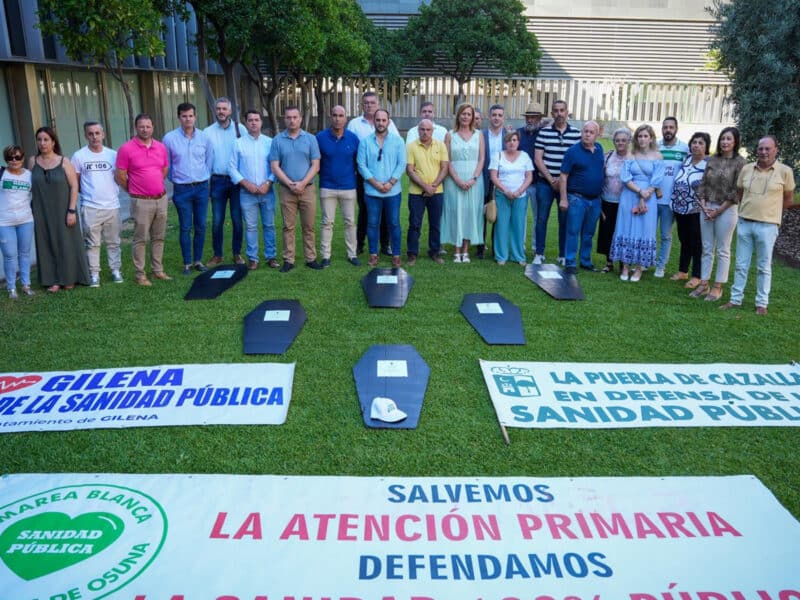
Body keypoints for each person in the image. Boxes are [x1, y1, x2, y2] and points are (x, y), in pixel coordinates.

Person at [720, 135, 796, 315]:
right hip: (745, 223)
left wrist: (773, 214)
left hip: (768, 226)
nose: (763, 152)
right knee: (741, 264)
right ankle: (735, 299)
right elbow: (740, 194)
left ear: (775, 150)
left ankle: (762, 303)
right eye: (760, 148)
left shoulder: (785, 171)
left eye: (767, 148)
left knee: (764, 266)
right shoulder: (747, 169)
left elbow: (788, 199)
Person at [28, 126, 90, 292]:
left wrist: (71, 211)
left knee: (66, 243)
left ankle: (70, 278)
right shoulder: (33, 161)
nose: (42, 143)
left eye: (46, 139)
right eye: (39, 140)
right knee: (46, 243)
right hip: (41, 211)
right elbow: (27, 186)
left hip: (63, 210)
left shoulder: (64, 161)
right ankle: (53, 280)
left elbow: (74, 186)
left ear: (53, 142)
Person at [115, 113, 170, 286]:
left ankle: (158, 270)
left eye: (148, 126)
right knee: (140, 238)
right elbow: (120, 175)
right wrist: (134, 190)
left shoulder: (160, 147)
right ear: (136, 127)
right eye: (141, 126)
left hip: (161, 199)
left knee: (159, 237)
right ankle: (140, 275)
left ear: (153, 127)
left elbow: (164, 170)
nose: (145, 129)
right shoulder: (126, 149)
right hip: (141, 201)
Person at [693, 127, 745, 302]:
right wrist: (704, 206)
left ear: (735, 142)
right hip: (707, 207)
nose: (725, 142)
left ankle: (717, 287)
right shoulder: (712, 159)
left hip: (726, 210)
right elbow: (703, 184)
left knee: (723, 249)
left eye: (728, 139)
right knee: (707, 247)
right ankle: (704, 283)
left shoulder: (740, 163)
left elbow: (737, 191)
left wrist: (718, 211)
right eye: (723, 138)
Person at [162, 102, 214, 275]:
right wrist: (176, 179)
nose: (188, 119)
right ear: (179, 117)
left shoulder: (204, 138)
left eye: (190, 116)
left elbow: (209, 160)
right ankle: (187, 263)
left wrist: (203, 177)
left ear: (195, 117)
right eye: (184, 116)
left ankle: (198, 261)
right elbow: (167, 164)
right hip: (182, 189)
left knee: (201, 225)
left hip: (201, 188)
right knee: (185, 226)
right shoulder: (169, 139)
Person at [269, 106, 321, 272]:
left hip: (307, 189)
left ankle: (311, 258)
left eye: (295, 117)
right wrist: (290, 183)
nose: (292, 120)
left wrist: (302, 183)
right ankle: (288, 260)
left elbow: (316, 165)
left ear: (300, 119)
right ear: (284, 119)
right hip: (286, 190)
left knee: (309, 226)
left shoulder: (311, 139)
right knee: (288, 227)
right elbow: (275, 166)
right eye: (288, 117)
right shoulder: (277, 140)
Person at [610, 124, 665, 282]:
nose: (642, 139)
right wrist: (640, 192)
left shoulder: (658, 156)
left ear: (651, 138)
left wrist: (645, 195)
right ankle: (625, 267)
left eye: (645, 136)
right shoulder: (630, 155)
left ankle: (639, 268)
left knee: (644, 230)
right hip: (630, 194)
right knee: (626, 228)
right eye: (639, 136)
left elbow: (657, 179)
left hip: (649, 197)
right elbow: (625, 178)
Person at [71, 121, 123, 287]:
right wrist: (89, 196)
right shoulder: (79, 156)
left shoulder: (113, 155)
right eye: (90, 134)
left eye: (97, 133)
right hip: (90, 206)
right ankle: (94, 274)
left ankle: (115, 270)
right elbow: (75, 182)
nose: (94, 137)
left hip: (112, 206)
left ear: (103, 134)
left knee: (114, 241)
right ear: (86, 135)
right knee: (92, 243)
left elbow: (120, 178)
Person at [347, 92, 399, 256]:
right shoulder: (354, 124)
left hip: (386, 176)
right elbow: (350, 148)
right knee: (364, 210)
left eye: (372, 102)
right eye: (366, 103)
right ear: (361, 105)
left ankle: (385, 245)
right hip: (364, 176)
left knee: (385, 212)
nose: (369, 105)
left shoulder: (389, 123)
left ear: (378, 104)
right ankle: (360, 244)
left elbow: (396, 144)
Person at [356, 108, 406, 267]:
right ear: (374, 121)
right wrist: (376, 184)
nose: (381, 123)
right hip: (372, 192)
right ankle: (373, 254)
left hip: (393, 191)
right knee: (372, 223)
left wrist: (390, 183)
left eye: (384, 120)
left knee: (394, 223)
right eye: (378, 120)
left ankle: (396, 254)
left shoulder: (398, 141)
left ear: (388, 122)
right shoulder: (365, 142)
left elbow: (402, 163)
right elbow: (361, 165)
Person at [533, 100, 581, 265]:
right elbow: (538, 159)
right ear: (552, 113)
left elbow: (577, 160)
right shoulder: (544, 133)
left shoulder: (576, 134)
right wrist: (551, 179)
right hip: (545, 183)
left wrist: (562, 181)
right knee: (541, 218)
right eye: (556, 110)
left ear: (567, 112)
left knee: (564, 219)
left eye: (562, 110)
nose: (559, 113)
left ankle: (562, 254)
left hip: (566, 185)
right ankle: (539, 253)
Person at [229, 110, 277, 270]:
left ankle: (271, 257)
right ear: (246, 123)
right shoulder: (238, 143)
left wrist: (269, 182)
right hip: (246, 192)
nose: (254, 123)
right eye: (250, 120)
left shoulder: (270, 142)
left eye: (257, 120)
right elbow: (231, 168)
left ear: (261, 122)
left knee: (269, 225)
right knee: (250, 227)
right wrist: (245, 183)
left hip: (267, 191)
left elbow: (276, 166)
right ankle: (253, 258)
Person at [558, 121, 605, 274]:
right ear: (581, 132)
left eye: (591, 132)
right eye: (585, 131)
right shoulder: (572, 151)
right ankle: (570, 262)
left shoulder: (599, 149)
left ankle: (585, 260)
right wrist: (563, 199)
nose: (587, 134)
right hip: (577, 198)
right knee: (573, 231)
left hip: (595, 200)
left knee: (589, 233)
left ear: (597, 135)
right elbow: (563, 176)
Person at [204, 97, 246, 266]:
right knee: (217, 220)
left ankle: (237, 253)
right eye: (218, 108)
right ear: (215, 110)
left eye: (224, 109)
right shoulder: (207, 132)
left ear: (230, 111)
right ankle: (217, 255)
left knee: (237, 219)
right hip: (217, 180)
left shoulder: (240, 129)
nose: (221, 111)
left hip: (236, 181)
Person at [317, 105, 360, 267]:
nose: (337, 119)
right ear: (331, 116)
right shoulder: (320, 138)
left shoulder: (353, 138)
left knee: (350, 222)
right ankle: (325, 256)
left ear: (345, 118)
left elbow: (358, 162)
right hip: (327, 186)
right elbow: (315, 162)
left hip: (348, 186)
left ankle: (352, 254)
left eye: (341, 115)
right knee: (327, 223)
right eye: (334, 115)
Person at [442, 103, 485, 263]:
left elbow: (481, 159)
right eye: (463, 113)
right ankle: (456, 249)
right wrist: (458, 180)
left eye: (469, 114)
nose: (466, 117)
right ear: (458, 115)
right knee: (455, 212)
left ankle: (466, 250)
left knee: (470, 213)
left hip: (474, 180)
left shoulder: (479, 135)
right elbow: (447, 160)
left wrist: (474, 178)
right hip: (454, 180)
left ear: (472, 117)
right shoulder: (450, 135)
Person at [670, 132, 710, 290]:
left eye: (701, 143)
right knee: (684, 240)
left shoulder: (708, 165)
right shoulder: (686, 160)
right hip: (680, 208)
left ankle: (697, 276)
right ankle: (683, 271)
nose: (696, 145)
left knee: (696, 243)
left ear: (706, 147)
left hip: (696, 210)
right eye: (694, 142)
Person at [406, 119, 449, 265]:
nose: (425, 132)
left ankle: (435, 252)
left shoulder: (441, 145)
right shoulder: (411, 146)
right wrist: (426, 187)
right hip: (416, 192)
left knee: (435, 224)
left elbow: (444, 168)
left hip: (437, 191)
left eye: (428, 130)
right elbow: (410, 170)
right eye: (422, 129)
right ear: (418, 130)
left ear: (432, 131)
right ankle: (412, 254)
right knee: (414, 224)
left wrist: (434, 186)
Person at [489, 131, 533, 266]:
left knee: (518, 226)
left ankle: (518, 256)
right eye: (509, 140)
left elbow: (529, 177)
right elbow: (494, 177)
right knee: (501, 226)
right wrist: (506, 191)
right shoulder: (498, 155)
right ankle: (501, 256)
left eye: (514, 140)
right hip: (502, 195)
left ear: (518, 142)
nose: (511, 143)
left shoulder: (525, 156)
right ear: (505, 142)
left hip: (520, 196)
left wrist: (519, 191)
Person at [655, 117, 689, 277]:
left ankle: (661, 266)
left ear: (676, 129)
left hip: (671, 201)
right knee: (648, 233)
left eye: (671, 127)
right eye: (665, 127)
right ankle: (645, 263)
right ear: (662, 129)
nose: (668, 130)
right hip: (652, 198)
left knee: (665, 235)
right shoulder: (655, 146)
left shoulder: (684, 148)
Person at [0, 145, 34, 298]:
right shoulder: (2, 173)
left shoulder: (29, 175)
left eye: (17, 157)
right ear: (6, 159)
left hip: (26, 220)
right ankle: (11, 288)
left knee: (24, 253)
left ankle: (26, 285)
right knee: (9, 255)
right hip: (4, 222)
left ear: (23, 158)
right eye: (10, 157)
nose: (14, 160)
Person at [597, 127, 632, 273]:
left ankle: (624, 263)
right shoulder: (608, 156)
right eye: (617, 140)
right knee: (607, 230)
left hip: (625, 201)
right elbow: (601, 176)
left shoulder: (633, 158)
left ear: (629, 141)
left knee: (623, 231)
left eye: (623, 140)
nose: (620, 143)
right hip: (607, 199)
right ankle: (609, 262)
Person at [476, 104, 506, 259]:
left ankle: (496, 248)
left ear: (503, 118)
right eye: (494, 115)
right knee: (481, 213)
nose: (496, 118)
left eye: (500, 115)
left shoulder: (509, 135)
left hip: (502, 180)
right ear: (489, 117)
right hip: (484, 178)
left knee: (499, 215)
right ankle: (480, 248)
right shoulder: (481, 135)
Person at [517, 102, 544, 257]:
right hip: (520, 182)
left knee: (538, 217)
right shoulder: (518, 133)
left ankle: (535, 247)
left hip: (538, 182)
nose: (530, 120)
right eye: (528, 117)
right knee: (520, 216)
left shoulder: (544, 134)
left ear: (539, 119)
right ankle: (519, 246)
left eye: (533, 117)